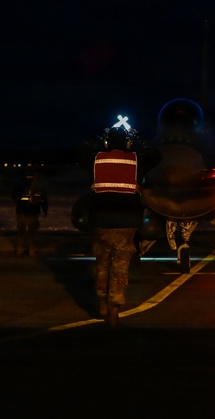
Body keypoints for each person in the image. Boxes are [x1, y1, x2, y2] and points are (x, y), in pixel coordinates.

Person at [88, 125, 144, 326]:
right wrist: (137, 140)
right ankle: (114, 310)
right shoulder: (136, 160)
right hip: (126, 223)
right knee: (120, 267)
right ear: (127, 143)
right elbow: (156, 156)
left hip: (101, 222)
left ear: (106, 142)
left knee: (101, 264)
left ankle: (102, 301)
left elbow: (80, 150)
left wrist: (98, 142)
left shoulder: (95, 159)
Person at [12, 171, 47, 257]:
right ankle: (30, 249)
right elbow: (43, 198)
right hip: (32, 212)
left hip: (23, 211)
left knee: (22, 231)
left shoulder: (20, 183)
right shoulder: (38, 184)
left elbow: (13, 195)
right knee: (31, 232)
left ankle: (21, 249)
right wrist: (45, 209)